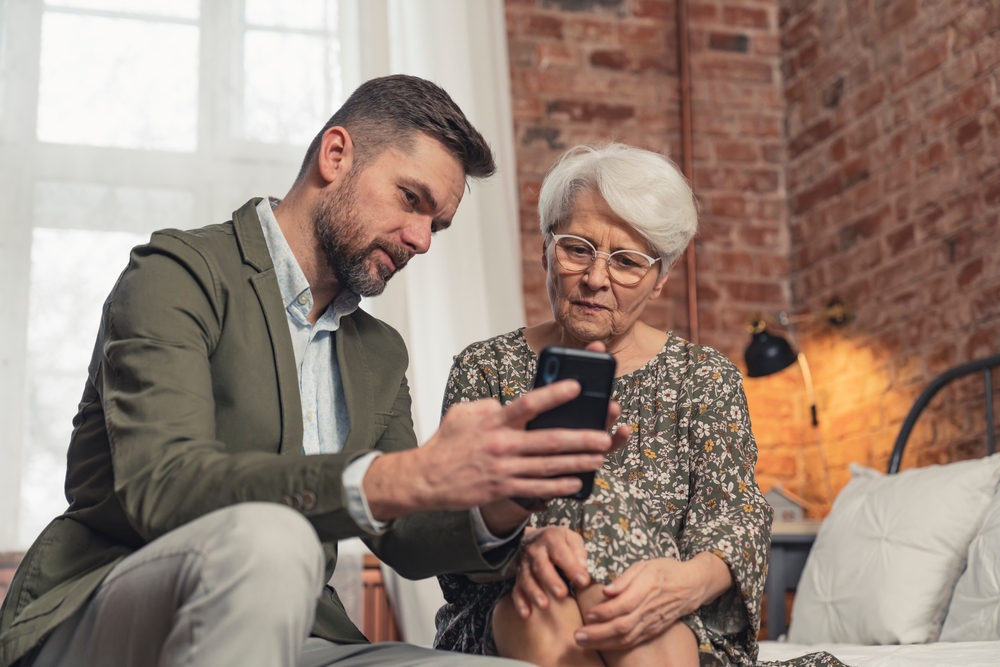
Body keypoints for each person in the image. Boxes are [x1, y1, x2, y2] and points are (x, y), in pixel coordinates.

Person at [0, 76, 630, 667]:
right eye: (412, 200)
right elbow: (164, 486)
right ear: (335, 155)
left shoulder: (378, 351)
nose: (421, 240)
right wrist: (409, 473)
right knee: (274, 541)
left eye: (436, 225)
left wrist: (507, 493)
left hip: (302, 632)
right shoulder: (178, 273)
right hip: (109, 609)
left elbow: (406, 536)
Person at [434, 144, 844, 667]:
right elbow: (449, 534)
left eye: (627, 261)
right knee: (547, 608)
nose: (597, 278)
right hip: (513, 604)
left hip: (668, 612)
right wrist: (532, 545)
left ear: (660, 279)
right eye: (578, 248)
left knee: (632, 615)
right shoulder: (485, 369)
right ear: (545, 249)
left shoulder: (704, 377)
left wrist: (681, 583)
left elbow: (735, 519)